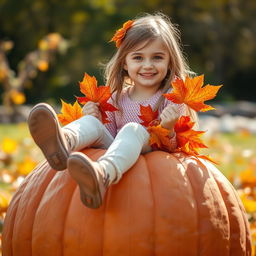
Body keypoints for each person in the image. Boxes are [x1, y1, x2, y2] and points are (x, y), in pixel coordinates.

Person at [28, 13, 197, 209]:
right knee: (92, 124)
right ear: (125, 62)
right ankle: (63, 143)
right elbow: (106, 138)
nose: (148, 65)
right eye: (138, 57)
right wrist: (94, 118)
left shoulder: (172, 96)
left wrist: (168, 127)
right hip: (117, 150)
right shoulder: (116, 98)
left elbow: (172, 149)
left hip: (152, 154)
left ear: (169, 61)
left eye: (157, 57)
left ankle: (102, 174)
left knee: (132, 129)